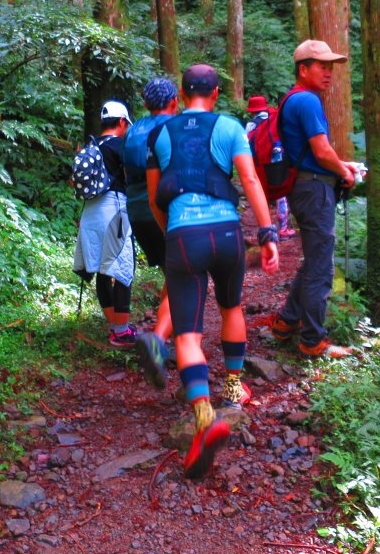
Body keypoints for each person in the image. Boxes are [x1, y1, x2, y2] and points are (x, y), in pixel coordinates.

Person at [148, 64, 280, 479]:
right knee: (231, 306)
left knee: (187, 332)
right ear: (216, 93)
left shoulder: (160, 132)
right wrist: (267, 232)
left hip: (183, 233)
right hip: (226, 233)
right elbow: (250, 180)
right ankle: (234, 385)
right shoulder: (229, 126)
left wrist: (172, 231)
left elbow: (155, 198)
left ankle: (204, 415)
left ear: (183, 93)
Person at [268, 40, 359, 359]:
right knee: (321, 266)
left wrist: (340, 165)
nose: (329, 73)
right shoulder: (306, 101)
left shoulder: (294, 100)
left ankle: (287, 322)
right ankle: (312, 339)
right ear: (303, 69)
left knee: (314, 260)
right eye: (322, 66)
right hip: (314, 189)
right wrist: (345, 172)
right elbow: (320, 151)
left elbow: (317, 153)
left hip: (306, 186)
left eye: (331, 67)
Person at [122, 78, 179, 388]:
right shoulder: (174, 128)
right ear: (174, 102)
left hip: (137, 210)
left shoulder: (132, 130)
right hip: (164, 209)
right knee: (182, 275)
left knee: (172, 272)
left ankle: (167, 337)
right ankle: (159, 340)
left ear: (145, 104)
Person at [73, 101, 138, 348]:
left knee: (102, 268)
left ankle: (115, 325)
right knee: (123, 270)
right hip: (115, 211)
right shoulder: (121, 146)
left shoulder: (91, 146)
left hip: (91, 212)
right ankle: (121, 332)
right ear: (122, 122)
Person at [245, 95, 296, 241]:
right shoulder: (276, 119)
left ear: (252, 110)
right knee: (281, 196)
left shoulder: (251, 125)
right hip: (276, 161)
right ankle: (284, 229)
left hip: (258, 163)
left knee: (260, 193)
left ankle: (265, 229)